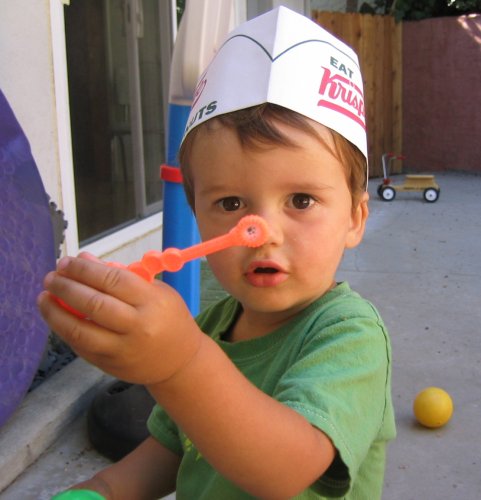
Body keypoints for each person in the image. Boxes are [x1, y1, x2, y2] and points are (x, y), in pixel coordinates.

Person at [38, 7, 395, 499]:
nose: (263, 234)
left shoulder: (348, 337)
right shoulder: (209, 328)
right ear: (196, 216)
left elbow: (287, 471)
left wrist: (180, 364)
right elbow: (159, 460)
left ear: (354, 218)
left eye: (301, 201)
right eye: (230, 203)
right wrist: (98, 490)